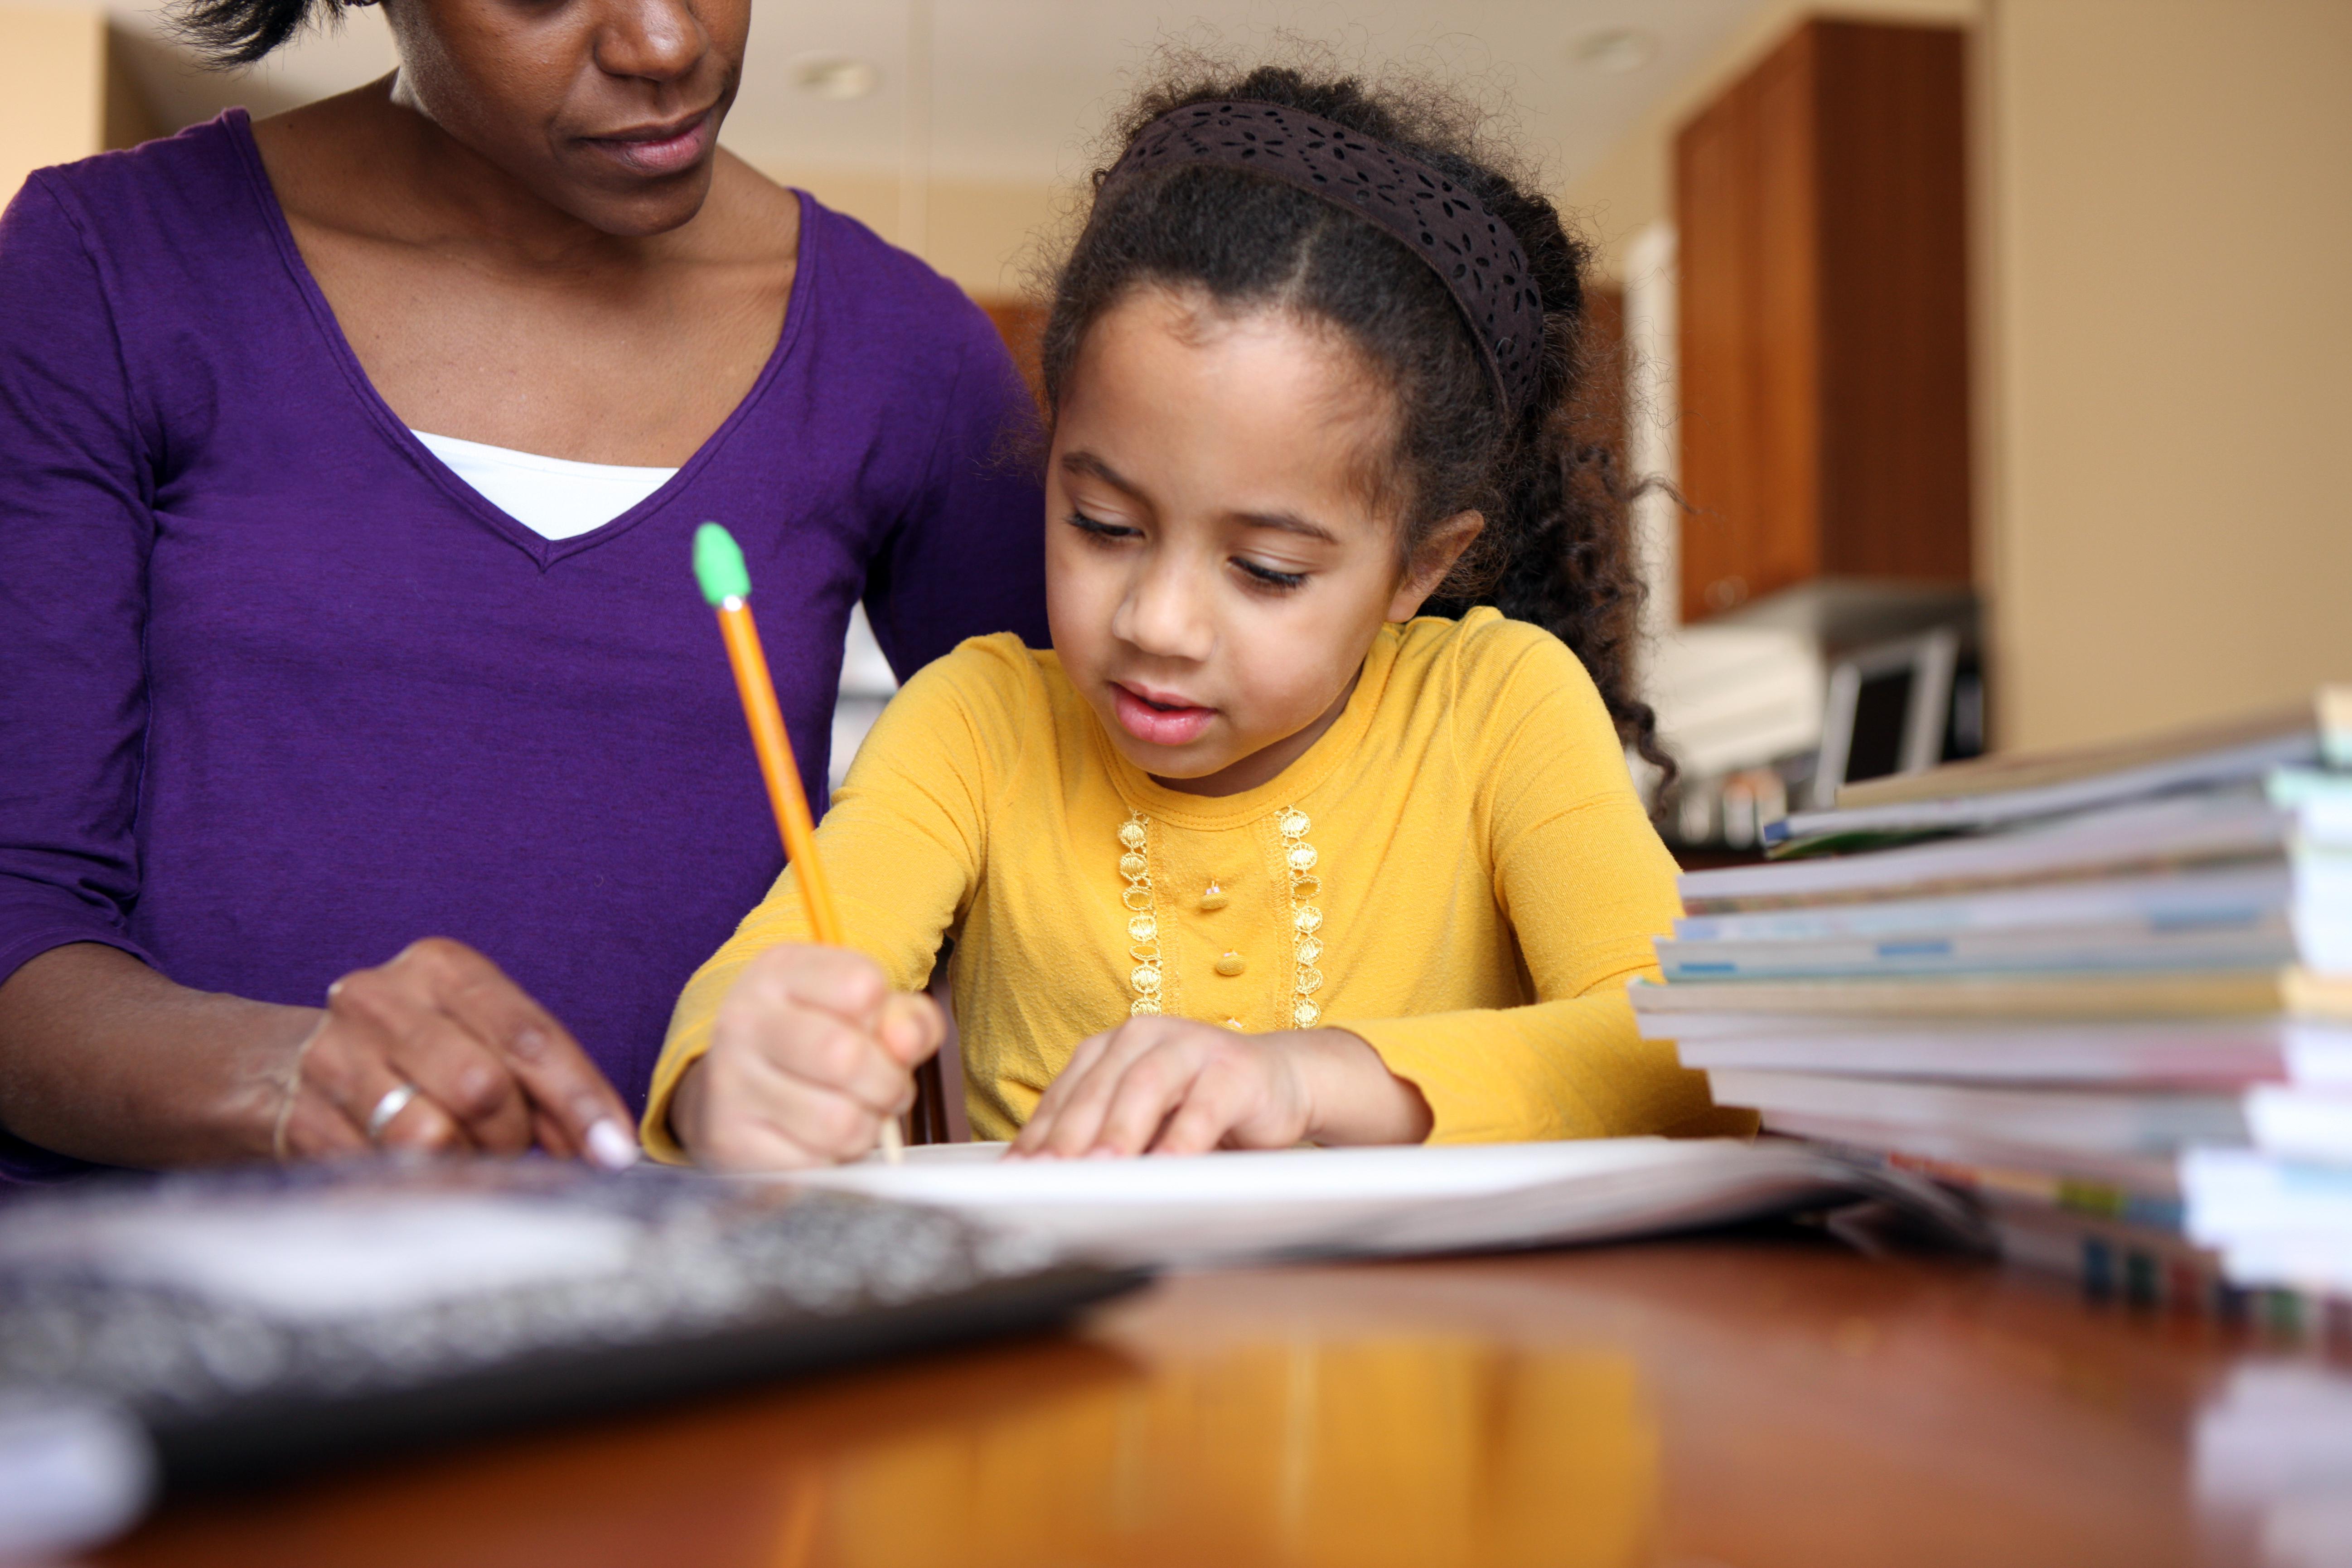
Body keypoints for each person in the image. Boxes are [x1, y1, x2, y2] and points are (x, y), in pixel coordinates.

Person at [0, 0, 1047, 1178]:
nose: (662, 43)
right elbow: (20, 913)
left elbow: (1100, 836)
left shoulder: (907, 354)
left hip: (692, 1319)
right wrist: (298, 1077)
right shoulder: (106, 265)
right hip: (170, 1310)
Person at [646, 65, 1750, 1169]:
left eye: (1267, 570)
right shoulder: (972, 729)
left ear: (1417, 569)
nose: (1160, 623)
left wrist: (1306, 1078)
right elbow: (760, 985)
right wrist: (729, 1078)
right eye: (1103, 523)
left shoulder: (1497, 705)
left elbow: (1688, 1054)